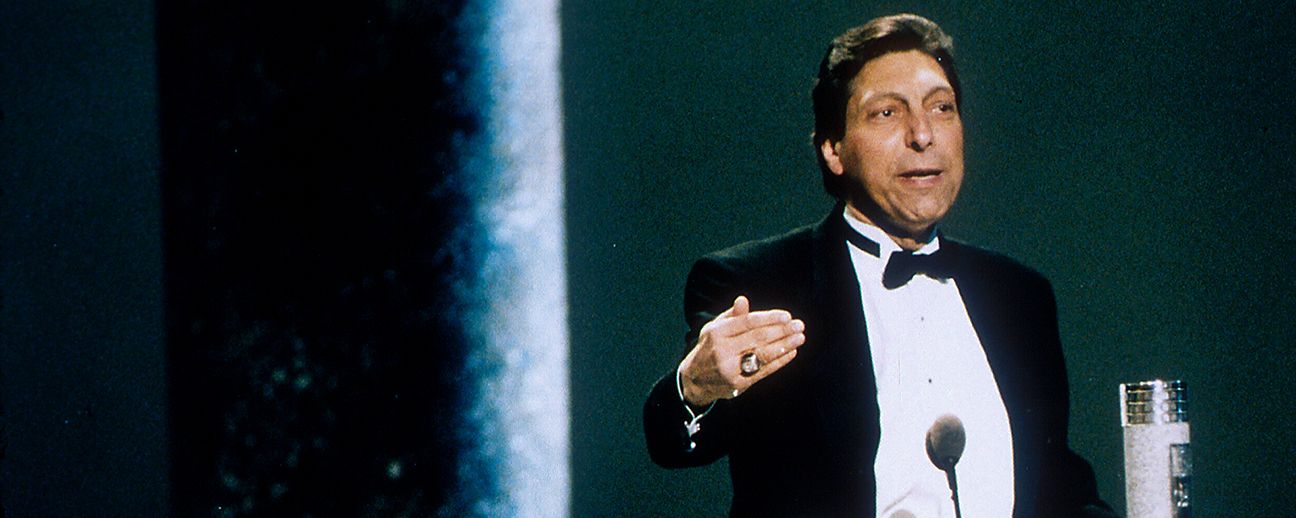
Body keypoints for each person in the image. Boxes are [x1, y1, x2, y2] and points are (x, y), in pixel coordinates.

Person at [643, 13, 1115, 518]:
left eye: (942, 108)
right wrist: (696, 386)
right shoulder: (760, 283)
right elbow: (676, 442)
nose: (923, 135)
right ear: (834, 149)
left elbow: (1057, 486)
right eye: (887, 113)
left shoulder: (1020, 295)